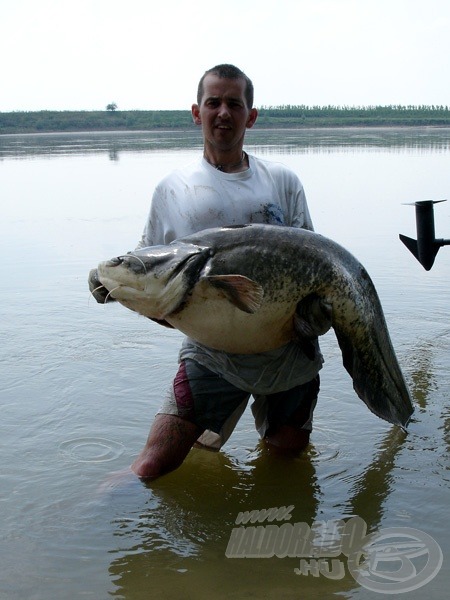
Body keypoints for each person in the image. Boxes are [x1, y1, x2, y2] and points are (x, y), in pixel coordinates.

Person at [90, 64, 323, 480]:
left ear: (251, 116)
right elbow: (149, 273)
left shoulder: (284, 182)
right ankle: (98, 515)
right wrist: (116, 288)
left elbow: (313, 267)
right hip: (211, 354)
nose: (223, 112)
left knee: (286, 461)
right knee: (153, 465)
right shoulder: (172, 189)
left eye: (234, 103)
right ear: (196, 113)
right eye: (213, 102)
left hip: (288, 352)